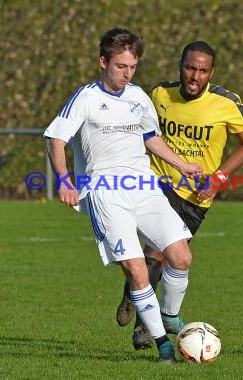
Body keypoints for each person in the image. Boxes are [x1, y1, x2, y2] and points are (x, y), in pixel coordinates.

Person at [44, 27, 204, 364]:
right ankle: (162, 346)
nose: (127, 74)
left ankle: (170, 316)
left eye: (132, 67)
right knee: (136, 270)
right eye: (120, 67)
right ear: (104, 62)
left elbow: (150, 137)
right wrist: (64, 180)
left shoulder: (138, 96)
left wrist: (181, 165)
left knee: (181, 258)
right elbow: (55, 140)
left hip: (144, 188)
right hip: (105, 194)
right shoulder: (85, 98)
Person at [115, 40, 243, 350]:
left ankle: (133, 294)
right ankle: (144, 326)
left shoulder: (227, 104)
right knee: (155, 253)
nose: (195, 76)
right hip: (157, 184)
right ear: (181, 67)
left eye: (203, 71)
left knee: (172, 258)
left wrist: (219, 177)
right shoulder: (159, 95)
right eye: (191, 68)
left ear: (211, 73)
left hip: (197, 197)